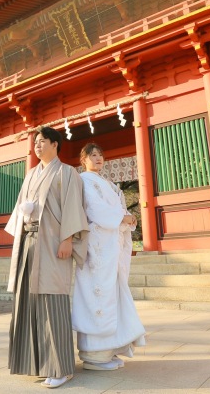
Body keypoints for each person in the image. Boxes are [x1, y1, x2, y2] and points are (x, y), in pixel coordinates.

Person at [5, 126, 89, 389]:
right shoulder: (31, 174)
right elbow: (21, 207)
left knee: (52, 300)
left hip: (53, 243)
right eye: (35, 143)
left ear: (55, 144)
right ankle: (36, 363)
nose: (37, 146)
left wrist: (68, 239)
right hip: (29, 241)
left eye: (42, 141)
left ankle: (61, 367)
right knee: (27, 301)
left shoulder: (67, 172)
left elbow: (73, 207)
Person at [72, 143, 146, 371]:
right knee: (97, 293)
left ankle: (109, 350)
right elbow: (94, 208)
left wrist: (127, 218)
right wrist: (121, 218)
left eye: (100, 155)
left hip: (110, 243)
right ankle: (94, 354)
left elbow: (116, 210)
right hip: (97, 246)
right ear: (83, 160)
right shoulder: (84, 180)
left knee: (111, 293)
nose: (98, 158)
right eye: (93, 155)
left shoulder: (108, 183)